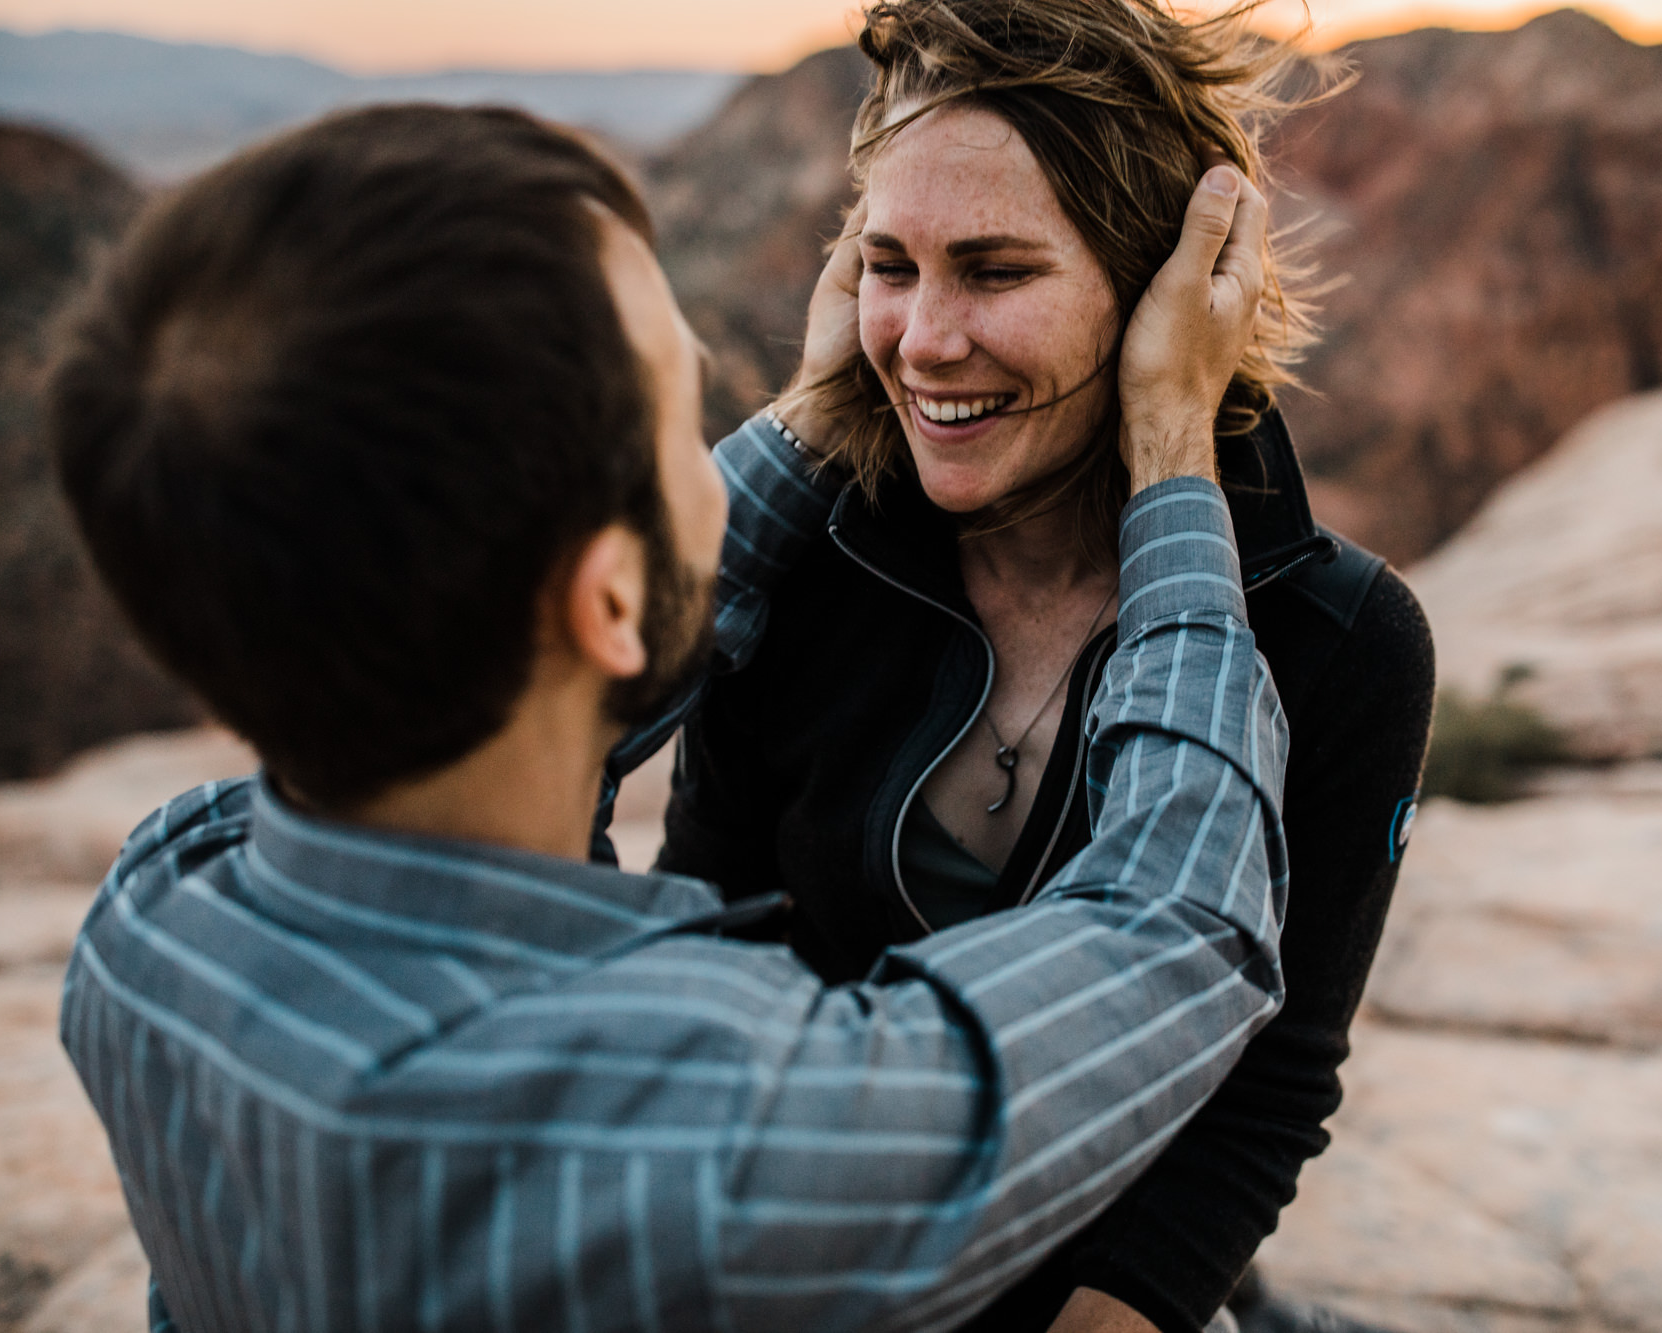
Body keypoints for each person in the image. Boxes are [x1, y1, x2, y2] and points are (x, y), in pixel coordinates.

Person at [51, 103, 1293, 1331]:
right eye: (676, 417)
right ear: (607, 597)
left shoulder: (154, 911)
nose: (729, 452)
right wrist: (1172, 449)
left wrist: (817, 404)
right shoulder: (720, 1140)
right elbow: (1177, 920)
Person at [615, 3, 1437, 1331]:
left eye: (994, 271)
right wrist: (813, 417)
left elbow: (1264, 1091)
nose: (927, 339)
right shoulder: (815, 561)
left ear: (1164, 288)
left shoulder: (1340, 640)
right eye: (890, 265)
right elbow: (710, 922)